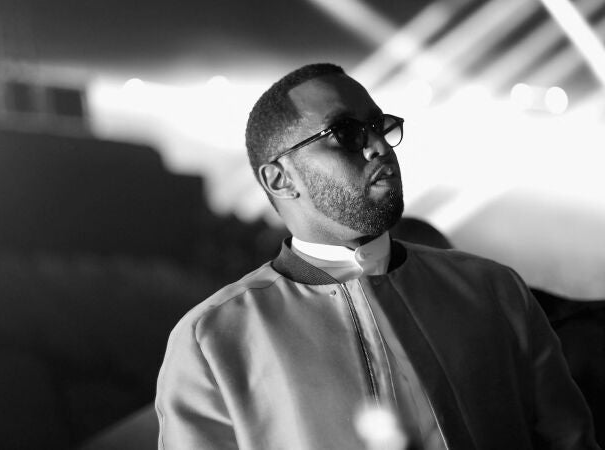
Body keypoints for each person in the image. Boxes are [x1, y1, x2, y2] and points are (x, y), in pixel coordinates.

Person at [154, 63, 599, 449]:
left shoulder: (491, 289)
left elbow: (569, 439)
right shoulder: (213, 340)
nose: (379, 146)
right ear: (279, 177)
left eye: (378, 125)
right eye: (345, 133)